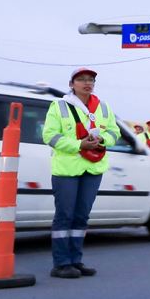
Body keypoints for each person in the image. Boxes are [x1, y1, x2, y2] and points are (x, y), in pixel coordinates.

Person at [41, 69, 120, 279]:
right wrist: (79, 144)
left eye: (91, 80)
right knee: (65, 215)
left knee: (81, 216)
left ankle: (76, 260)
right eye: (82, 80)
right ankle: (61, 264)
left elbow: (114, 132)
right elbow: (50, 135)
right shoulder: (59, 105)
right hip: (67, 169)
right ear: (72, 83)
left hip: (93, 168)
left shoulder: (103, 106)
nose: (87, 83)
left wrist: (103, 140)